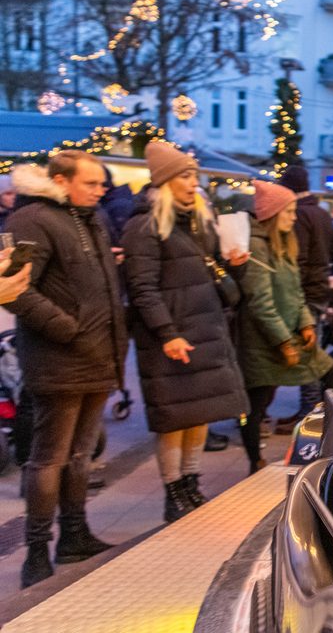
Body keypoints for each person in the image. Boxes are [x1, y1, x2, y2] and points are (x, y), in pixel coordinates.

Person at [6, 151, 129, 588]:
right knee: (48, 458)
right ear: (60, 179)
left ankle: (74, 535)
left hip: (97, 354)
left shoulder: (88, 217)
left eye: (101, 184)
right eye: (92, 183)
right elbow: (12, 290)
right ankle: (36, 550)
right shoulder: (32, 219)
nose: (102, 191)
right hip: (59, 356)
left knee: (81, 455)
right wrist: (66, 328)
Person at [121, 142, 250, 522]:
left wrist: (236, 266)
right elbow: (142, 289)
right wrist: (167, 333)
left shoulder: (197, 223)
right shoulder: (144, 227)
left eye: (195, 175)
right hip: (173, 336)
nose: (194, 183)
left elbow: (217, 283)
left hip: (206, 328)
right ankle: (173, 489)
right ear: (165, 181)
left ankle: (191, 483)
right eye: (185, 175)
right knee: (174, 419)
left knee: (201, 413)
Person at [237, 181, 333, 474]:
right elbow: (260, 302)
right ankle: (254, 462)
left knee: (331, 374)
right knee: (256, 401)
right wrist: (284, 342)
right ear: (273, 212)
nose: (294, 217)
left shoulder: (284, 243)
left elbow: (294, 292)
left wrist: (305, 322)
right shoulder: (257, 246)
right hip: (262, 340)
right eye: (289, 211)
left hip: (290, 333)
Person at [278, 165, 333, 424]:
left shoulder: (300, 215)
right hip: (321, 286)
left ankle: (309, 411)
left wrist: (294, 291)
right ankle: (311, 406)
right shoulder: (322, 213)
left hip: (307, 290)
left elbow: (298, 257)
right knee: (313, 346)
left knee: (308, 351)